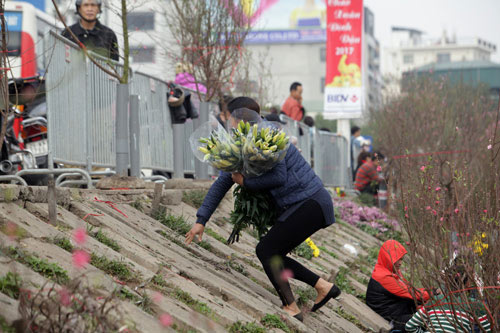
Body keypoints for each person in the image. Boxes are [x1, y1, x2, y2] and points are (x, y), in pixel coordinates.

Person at [185, 97, 341, 321]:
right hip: (304, 204)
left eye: (231, 118)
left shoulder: (270, 138)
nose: (229, 124)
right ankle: (323, 287)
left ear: (242, 118)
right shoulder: (241, 145)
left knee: (266, 251)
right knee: (272, 253)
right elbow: (222, 182)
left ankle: (291, 306)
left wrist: (245, 183)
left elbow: (279, 177)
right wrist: (202, 219)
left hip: (309, 202)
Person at [366, 240, 430, 332]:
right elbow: (411, 293)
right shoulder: (384, 277)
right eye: (398, 259)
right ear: (388, 258)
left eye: (401, 259)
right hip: (389, 314)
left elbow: (409, 289)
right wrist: (433, 293)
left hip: (394, 307)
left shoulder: (389, 270)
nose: (400, 263)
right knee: (420, 321)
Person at [405, 265, 491, 333]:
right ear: (468, 283)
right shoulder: (475, 305)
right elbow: (488, 330)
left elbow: (410, 326)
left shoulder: (435, 301)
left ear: (446, 283)